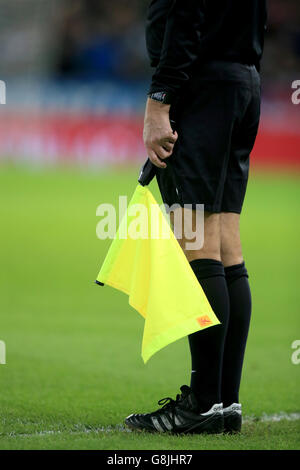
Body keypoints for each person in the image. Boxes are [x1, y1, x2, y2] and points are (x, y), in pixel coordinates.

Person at [125, 0, 267, 434]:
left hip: (200, 86)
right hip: (243, 81)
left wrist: (160, 97)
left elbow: (185, 12)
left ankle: (203, 405)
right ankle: (225, 403)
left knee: (198, 244)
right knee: (225, 244)